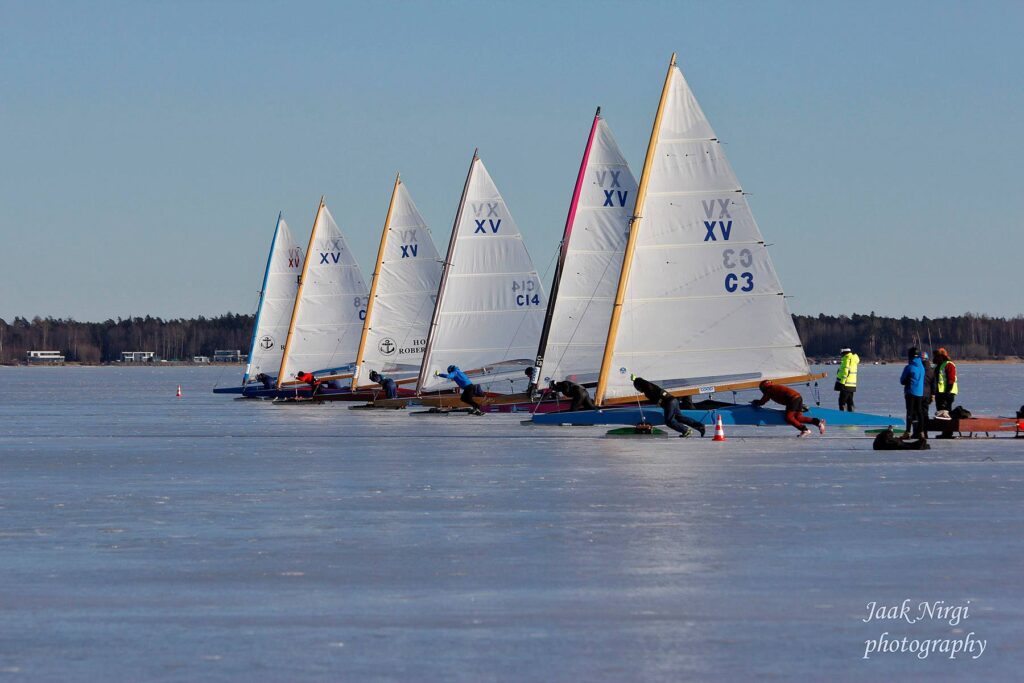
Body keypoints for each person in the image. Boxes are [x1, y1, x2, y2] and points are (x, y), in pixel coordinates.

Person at [631, 375, 706, 437]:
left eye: (637, 388)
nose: (637, 390)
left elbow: (657, 399)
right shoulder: (650, 385)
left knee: (669, 421)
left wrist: (659, 402)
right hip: (673, 400)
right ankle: (700, 426)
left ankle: (686, 430)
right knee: (679, 417)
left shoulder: (648, 389)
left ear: (639, 386)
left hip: (669, 402)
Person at [751, 379, 826, 437]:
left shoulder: (770, 390)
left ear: (764, 387)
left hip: (792, 399)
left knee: (789, 418)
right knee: (798, 417)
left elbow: (763, 401)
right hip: (798, 397)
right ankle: (818, 423)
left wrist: (755, 402)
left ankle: (805, 430)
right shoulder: (774, 387)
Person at [899, 348, 927, 439]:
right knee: (920, 412)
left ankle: (907, 431)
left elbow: (902, 381)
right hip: (920, 393)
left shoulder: (909, 367)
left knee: (910, 412)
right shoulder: (922, 367)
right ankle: (922, 432)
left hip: (910, 392)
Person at [933, 347, 958, 420]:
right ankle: (944, 431)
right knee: (940, 414)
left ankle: (948, 431)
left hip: (947, 393)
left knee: (946, 414)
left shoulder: (949, 364)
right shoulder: (939, 365)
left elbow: (951, 379)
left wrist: (948, 391)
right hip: (940, 392)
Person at [834, 347, 859, 412]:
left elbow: (845, 372)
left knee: (842, 401)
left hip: (845, 384)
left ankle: (843, 416)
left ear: (844, 353)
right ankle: (851, 415)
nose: (841, 355)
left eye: (842, 353)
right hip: (852, 385)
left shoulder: (847, 359)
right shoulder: (853, 359)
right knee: (850, 401)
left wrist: (841, 383)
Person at [920, 351, 935, 416]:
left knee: (918, 412)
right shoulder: (931, 370)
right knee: (925, 411)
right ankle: (925, 424)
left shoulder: (918, 369)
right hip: (927, 395)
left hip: (918, 394)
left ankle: (918, 425)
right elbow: (933, 384)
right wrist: (933, 394)